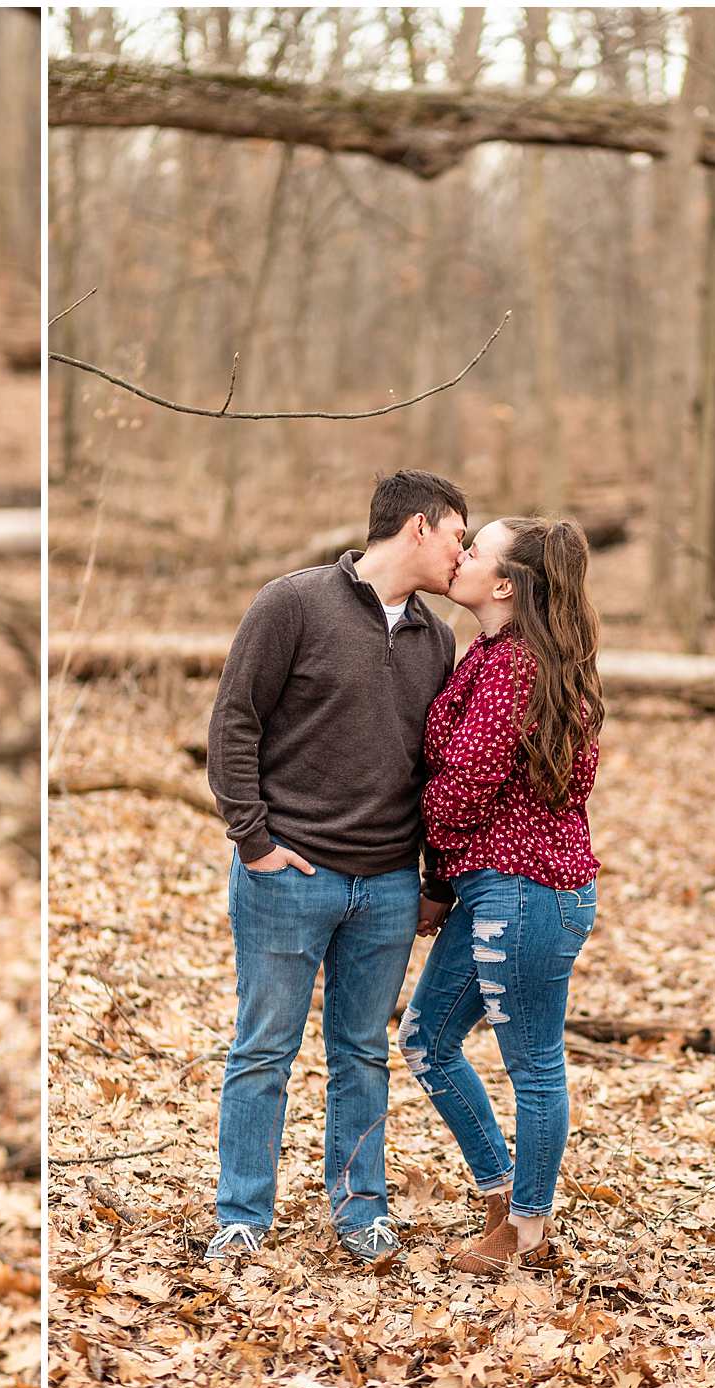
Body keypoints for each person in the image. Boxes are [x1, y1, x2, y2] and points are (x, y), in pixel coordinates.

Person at [203, 470, 467, 1268]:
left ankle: (362, 1213)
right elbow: (234, 721)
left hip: (386, 885)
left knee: (362, 1053)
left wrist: (431, 881)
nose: (464, 551)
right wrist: (252, 841)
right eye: (459, 533)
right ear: (418, 528)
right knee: (263, 1050)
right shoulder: (293, 603)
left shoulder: (437, 638)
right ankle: (242, 1215)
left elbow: (435, 770)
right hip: (290, 874)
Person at [397, 516, 603, 1275]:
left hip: (527, 894)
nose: (462, 557)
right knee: (425, 1039)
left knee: (535, 1067)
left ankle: (528, 1233)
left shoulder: (516, 666)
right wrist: (446, 878)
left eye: (475, 550)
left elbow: (466, 785)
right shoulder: (492, 655)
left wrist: (424, 855)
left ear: (508, 584)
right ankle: (502, 1193)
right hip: (495, 888)